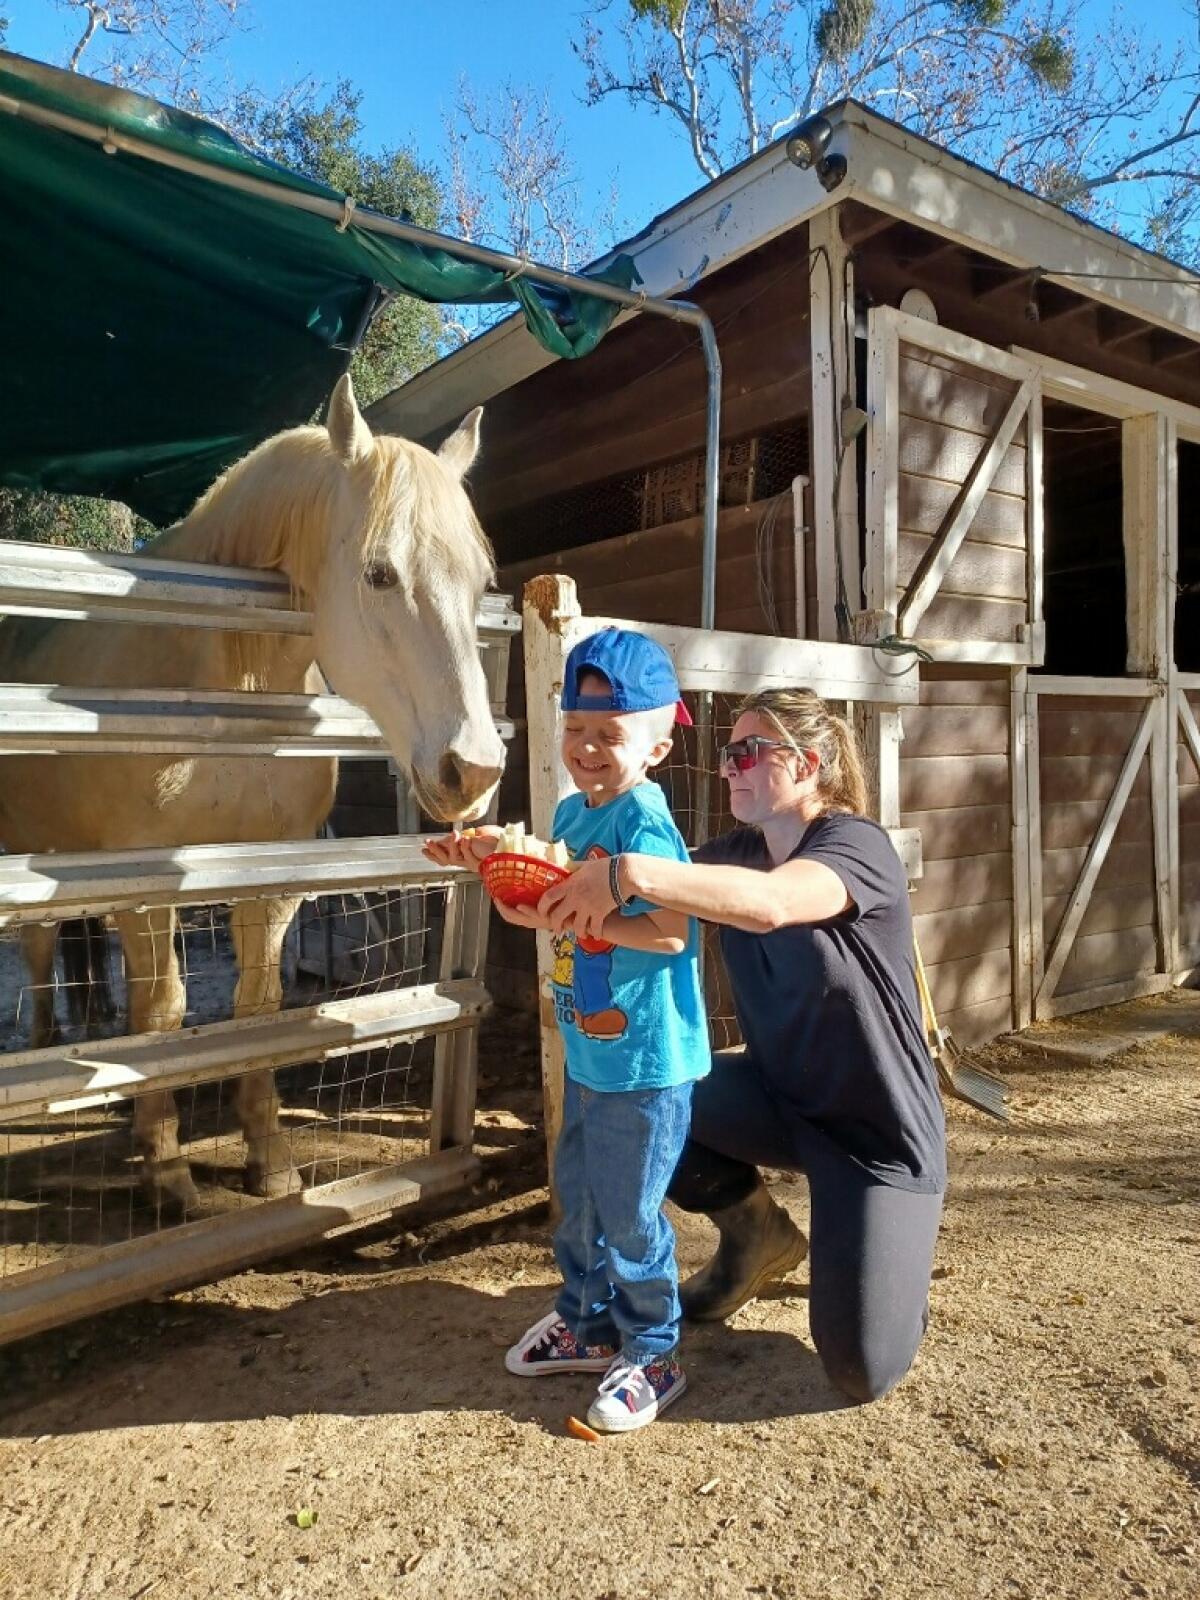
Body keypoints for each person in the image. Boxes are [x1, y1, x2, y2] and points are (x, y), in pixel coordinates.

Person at [539, 687, 947, 1406]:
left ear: (811, 763)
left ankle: (892, 1272)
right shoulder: (736, 852)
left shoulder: (856, 846)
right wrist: (507, 861)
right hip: (776, 1100)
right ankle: (758, 1237)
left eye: (749, 752)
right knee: (648, 1107)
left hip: (876, 1137)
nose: (729, 767)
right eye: (729, 753)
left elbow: (772, 904)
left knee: (861, 1370)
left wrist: (629, 873)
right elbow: (643, 889)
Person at [423, 628, 710, 1432]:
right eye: (575, 731)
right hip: (591, 1050)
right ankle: (585, 1326)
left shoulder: (644, 822)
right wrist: (485, 861)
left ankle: (654, 1349)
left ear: (654, 746)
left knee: (631, 1212)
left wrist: (591, 915)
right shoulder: (567, 813)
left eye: (609, 735)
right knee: (579, 1196)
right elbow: (533, 907)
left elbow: (672, 934)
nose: (586, 748)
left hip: (647, 1063)